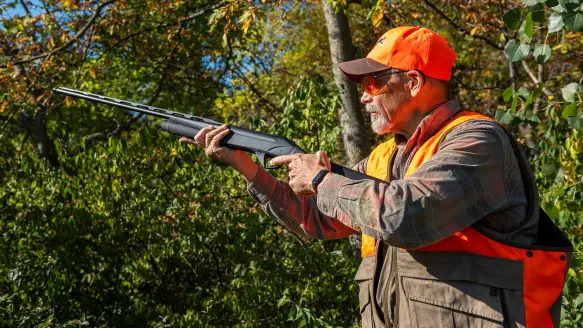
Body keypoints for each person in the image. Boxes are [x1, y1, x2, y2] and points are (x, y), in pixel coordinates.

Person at [179, 26, 572, 328]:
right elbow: (315, 220)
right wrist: (246, 165)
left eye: (373, 83)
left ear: (415, 83)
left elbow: (406, 217)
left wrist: (320, 180)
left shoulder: (476, 141)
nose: (364, 96)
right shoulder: (384, 158)